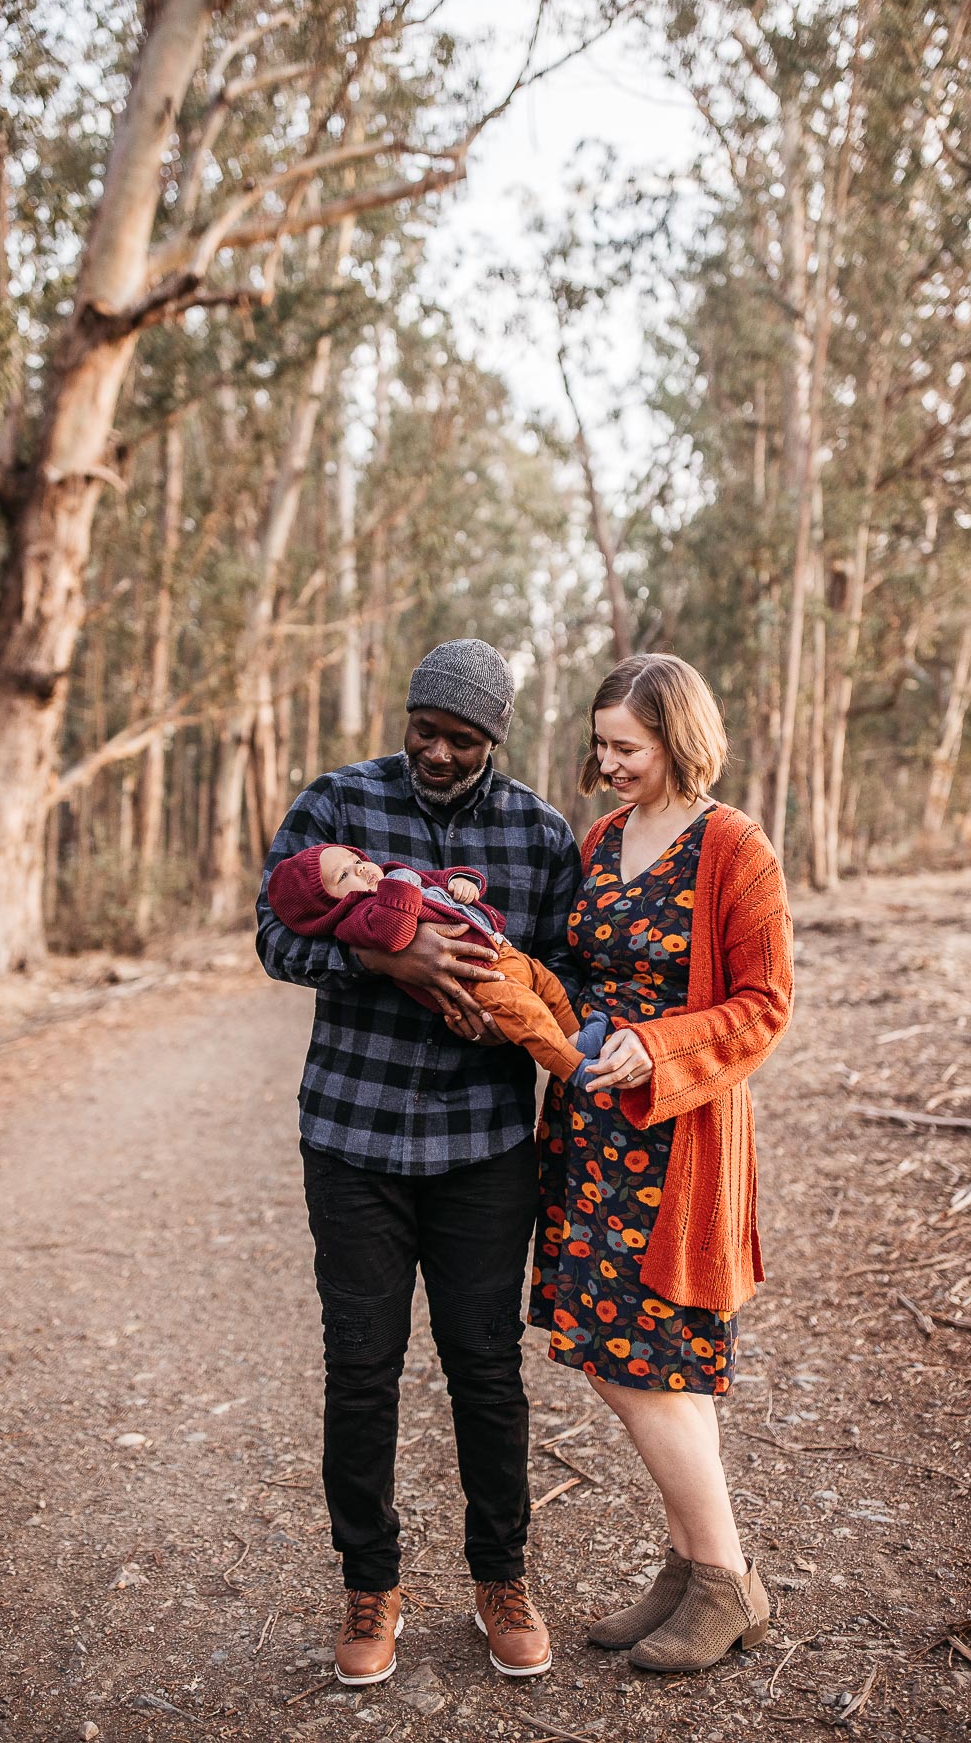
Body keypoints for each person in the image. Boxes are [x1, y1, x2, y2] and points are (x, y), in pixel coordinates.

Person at [256, 639, 583, 1687]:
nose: (438, 753)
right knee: (361, 1366)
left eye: (463, 738)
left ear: (496, 737)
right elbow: (271, 929)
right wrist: (375, 952)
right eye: (425, 731)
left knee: (485, 1367)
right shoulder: (337, 802)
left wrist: (512, 1018)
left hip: (484, 1150)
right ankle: (371, 1582)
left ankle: (502, 1575)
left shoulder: (537, 832)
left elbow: (566, 972)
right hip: (352, 1139)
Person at [528, 653, 793, 1674]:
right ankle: (690, 1569)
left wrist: (663, 1046)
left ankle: (725, 1577)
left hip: (676, 1144)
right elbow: (582, 967)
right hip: (590, 1142)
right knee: (621, 1352)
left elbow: (766, 1004)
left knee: (648, 1359)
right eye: (599, 743)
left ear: (678, 737)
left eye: (625, 745)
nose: (608, 761)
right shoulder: (601, 839)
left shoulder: (736, 848)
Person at [265, 841, 608, 1085]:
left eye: (356, 861)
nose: (362, 870)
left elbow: (438, 880)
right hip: (476, 982)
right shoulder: (358, 917)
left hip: (500, 952)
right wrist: (400, 884)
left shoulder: (392, 877)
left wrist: (463, 883)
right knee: (525, 1012)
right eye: (344, 877)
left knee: (546, 982)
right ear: (330, 906)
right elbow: (394, 934)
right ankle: (571, 1066)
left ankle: (575, 1037)